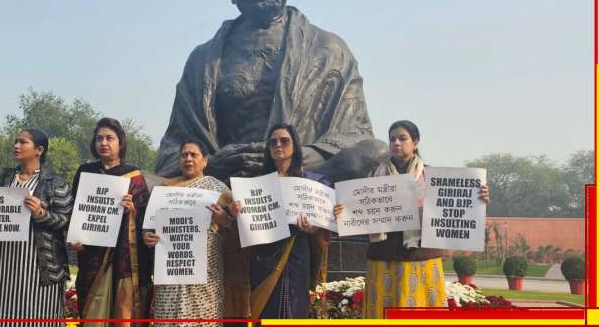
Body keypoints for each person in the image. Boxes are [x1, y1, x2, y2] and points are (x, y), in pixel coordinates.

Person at [154, 0, 387, 184]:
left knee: (375, 151)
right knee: (137, 183)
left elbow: (356, 136)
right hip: (225, 183)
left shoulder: (329, 50)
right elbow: (170, 154)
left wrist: (294, 156)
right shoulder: (202, 61)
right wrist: (211, 162)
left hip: (298, 180)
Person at [334, 120, 490, 318]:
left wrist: (478, 197)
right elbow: (359, 211)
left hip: (421, 257)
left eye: (402, 138)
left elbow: (456, 206)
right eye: (392, 139)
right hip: (384, 257)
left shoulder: (432, 177)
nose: (396, 143)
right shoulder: (373, 177)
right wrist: (343, 211)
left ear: (415, 142)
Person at [0, 129, 73, 327]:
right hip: (3, 267)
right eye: (16, 141)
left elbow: (67, 220)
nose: (16, 146)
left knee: (40, 320)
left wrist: (42, 214)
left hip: (41, 269)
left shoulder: (56, 183)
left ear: (39, 150)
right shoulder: (3, 180)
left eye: (23, 142)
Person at [229, 123, 332, 318]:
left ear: (295, 146)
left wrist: (314, 228)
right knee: (265, 307)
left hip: (296, 252)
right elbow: (244, 223)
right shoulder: (256, 183)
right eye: (273, 142)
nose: (278, 145)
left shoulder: (309, 183)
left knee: (294, 304)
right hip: (263, 255)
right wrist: (236, 212)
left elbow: (324, 221)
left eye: (284, 141)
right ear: (268, 149)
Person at [69, 117, 152, 325]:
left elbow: (147, 216)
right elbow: (76, 210)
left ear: (120, 142)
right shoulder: (85, 172)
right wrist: (75, 238)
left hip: (125, 257)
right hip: (92, 255)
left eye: (109, 138)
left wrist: (133, 210)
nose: (103, 143)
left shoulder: (134, 177)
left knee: (123, 309)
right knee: (93, 311)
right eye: (99, 138)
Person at [143, 138, 234, 326]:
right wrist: (147, 236)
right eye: (184, 155)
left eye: (194, 155)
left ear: (205, 161)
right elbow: (149, 225)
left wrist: (223, 219)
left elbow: (232, 222)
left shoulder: (216, 188)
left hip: (205, 270)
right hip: (171, 269)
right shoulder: (165, 189)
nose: (188, 159)